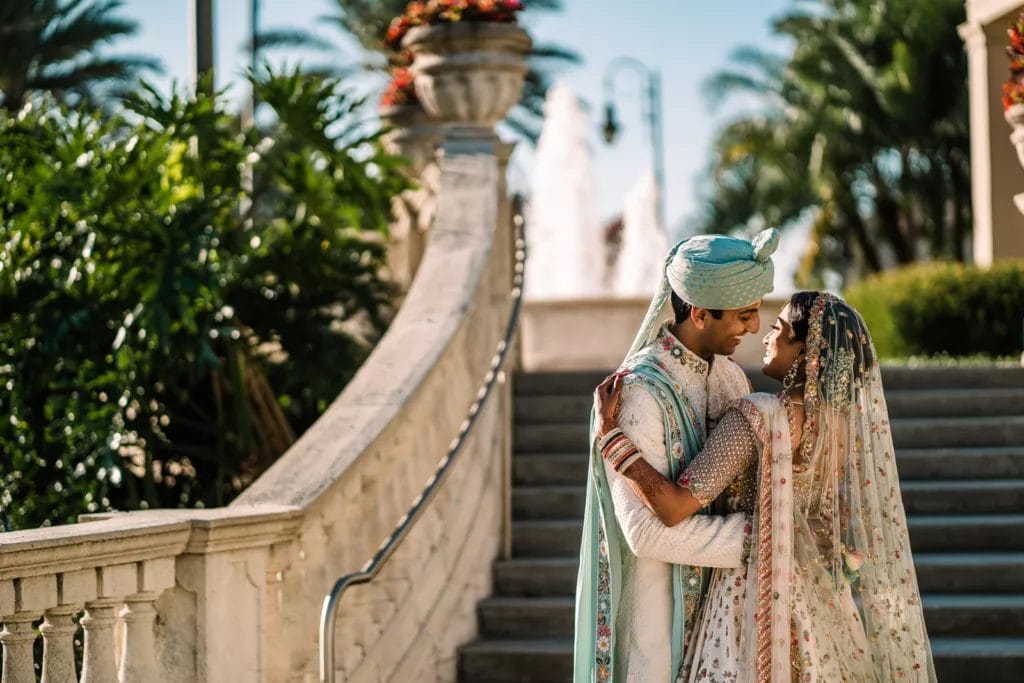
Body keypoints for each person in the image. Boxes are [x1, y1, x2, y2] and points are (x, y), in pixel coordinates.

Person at [593, 291, 936, 682]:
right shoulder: (838, 429)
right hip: (817, 604)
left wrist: (613, 440)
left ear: (807, 351)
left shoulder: (757, 417)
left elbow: (671, 508)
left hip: (750, 599)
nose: (765, 335)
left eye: (779, 328)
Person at [574, 228, 780, 682]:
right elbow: (645, 533)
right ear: (702, 314)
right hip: (657, 627)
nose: (753, 327)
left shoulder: (730, 378)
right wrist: (763, 539)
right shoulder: (638, 392)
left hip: (726, 619)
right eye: (744, 315)